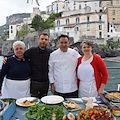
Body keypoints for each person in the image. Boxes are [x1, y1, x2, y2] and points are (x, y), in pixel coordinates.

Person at [24, 33, 53, 98]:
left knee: (44, 100)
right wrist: (7, 59)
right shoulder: (31, 51)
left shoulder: (51, 52)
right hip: (34, 82)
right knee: (33, 101)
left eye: (46, 39)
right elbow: (20, 56)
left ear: (48, 42)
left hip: (46, 82)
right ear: (38, 41)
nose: (43, 41)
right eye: (42, 39)